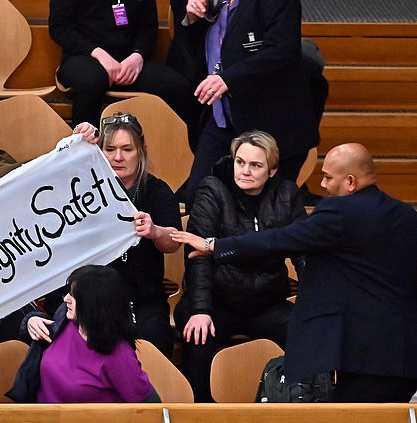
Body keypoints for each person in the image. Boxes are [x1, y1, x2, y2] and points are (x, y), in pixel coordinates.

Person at [172, 143, 417, 402]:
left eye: (328, 177)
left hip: (364, 353)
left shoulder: (339, 212)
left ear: (350, 182)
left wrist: (215, 245)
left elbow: (279, 240)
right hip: (406, 352)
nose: (322, 185)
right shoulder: (405, 215)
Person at [173, 130, 306, 402]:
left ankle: (299, 407)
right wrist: (200, 309)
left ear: (272, 170)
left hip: (267, 301)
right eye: (240, 162)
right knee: (199, 337)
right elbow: (198, 257)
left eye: (255, 165)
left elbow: (304, 253)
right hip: (218, 300)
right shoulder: (212, 189)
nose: (244, 171)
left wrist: (314, 303)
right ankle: (198, 412)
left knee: (308, 332)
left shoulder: (287, 194)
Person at [179, 0, 319, 209]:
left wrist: (229, 79)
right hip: (221, 117)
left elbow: (282, 50)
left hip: (272, 120)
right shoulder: (213, 2)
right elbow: (199, 51)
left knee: (267, 211)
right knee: (198, 197)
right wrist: (192, 20)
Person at [69, 115, 182, 357]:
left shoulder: (157, 190)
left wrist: (155, 231)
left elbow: (173, 242)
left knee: (154, 339)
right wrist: (78, 138)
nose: (118, 157)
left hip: (145, 297)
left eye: (126, 149)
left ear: (141, 151)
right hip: (96, 297)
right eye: (110, 149)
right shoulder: (85, 188)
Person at [49, 0, 200, 149]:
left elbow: (148, 28)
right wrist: (98, 54)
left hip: (130, 61)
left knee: (178, 87)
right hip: (83, 56)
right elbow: (60, 28)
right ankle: (83, 153)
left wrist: (138, 55)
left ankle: (187, 157)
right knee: (92, 80)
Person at [8, 265, 160, 403]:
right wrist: (30, 319)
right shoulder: (65, 318)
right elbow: (42, 337)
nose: (66, 298)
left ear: (93, 304)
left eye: (73, 296)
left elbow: (151, 406)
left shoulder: (119, 354)